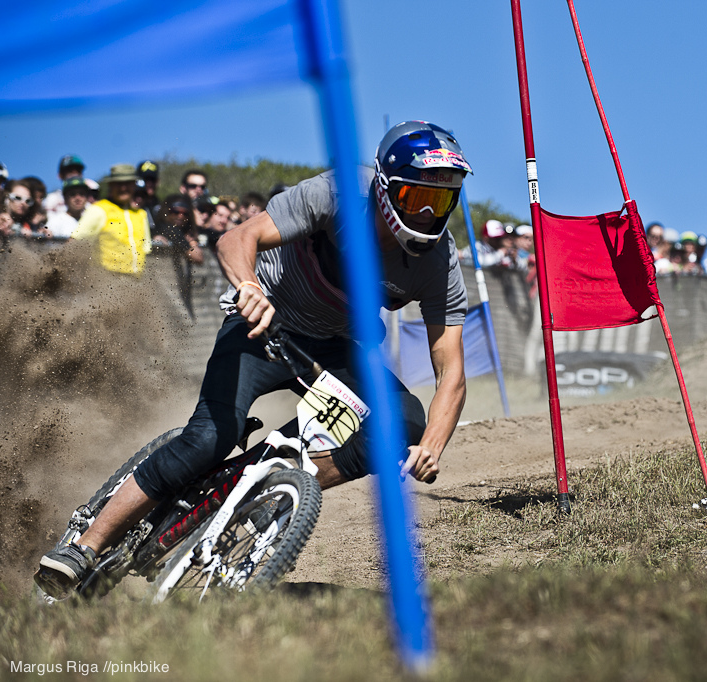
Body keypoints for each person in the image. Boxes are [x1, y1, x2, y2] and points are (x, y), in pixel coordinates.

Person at [36, 121, 472, 598]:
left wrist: (433, 442)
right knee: (207, 439)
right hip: (264, 323)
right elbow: (234, 239)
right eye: (416, 200)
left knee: (404, 422)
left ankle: (276, 473)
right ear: (386, 189)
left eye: (443, 201)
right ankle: (86, 547)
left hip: (334, 345)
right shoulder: (339, 192)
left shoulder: (438, 260)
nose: (429, 215)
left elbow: (451, 370)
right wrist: (249, 288)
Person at [71, 164, 152, 276]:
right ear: (111, 185)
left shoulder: (141, 214)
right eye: (118, 184)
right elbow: (74, 242)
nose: (123, 188)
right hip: (106, 280)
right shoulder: (98, 210)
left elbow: (146, 250)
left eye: (127, 183)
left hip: (136, 281)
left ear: (134, 185)